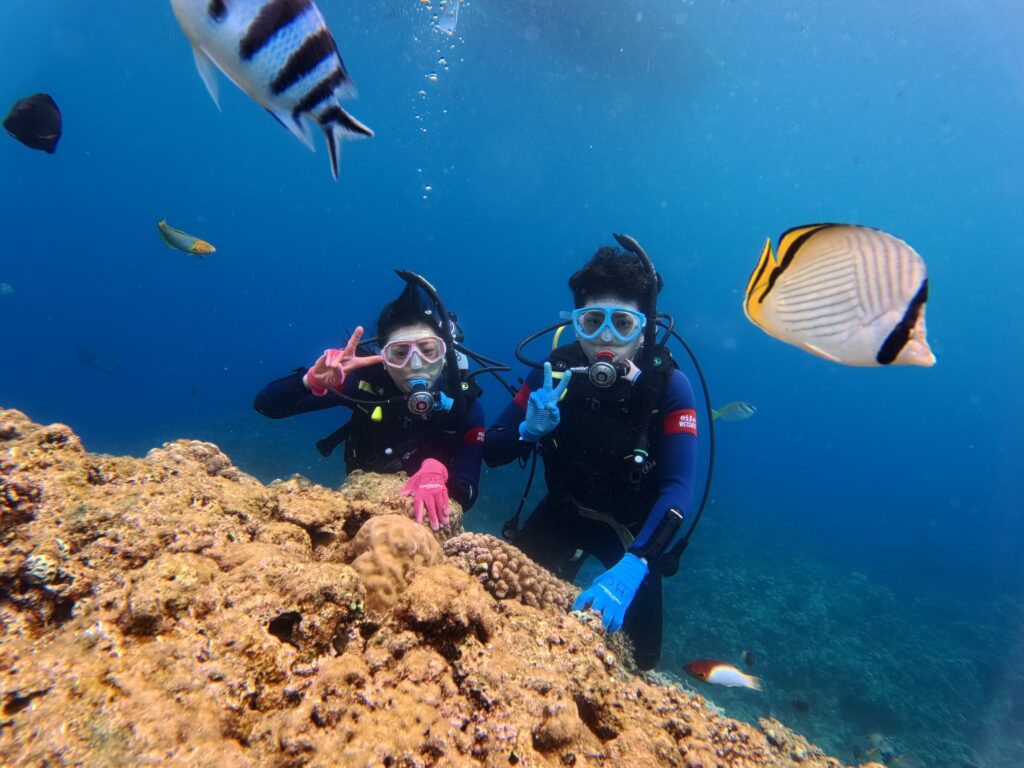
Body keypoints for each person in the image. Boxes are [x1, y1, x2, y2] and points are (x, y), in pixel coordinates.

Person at [484, 245, 698, 669]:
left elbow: (678, 488)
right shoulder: (552, 372)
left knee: (641, 661)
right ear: (575, 324)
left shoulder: (669, 386)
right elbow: (491, 449)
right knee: (496, 608)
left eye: (622, 324)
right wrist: (527, 431)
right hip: (562, 509)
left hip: (631, 535)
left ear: (644, 329)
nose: (605, 337)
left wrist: (636, 563)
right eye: (591, 321)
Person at [255, 278, 485, 530]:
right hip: (361, 516)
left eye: (428, 350)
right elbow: (267, 406)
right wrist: (309, 381)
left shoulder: (464, 406)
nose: (416, 364)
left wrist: (438, 469)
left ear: (445, 356)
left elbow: (467, 495)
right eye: (399, 353)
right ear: (383, 359)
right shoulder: (365, 387)